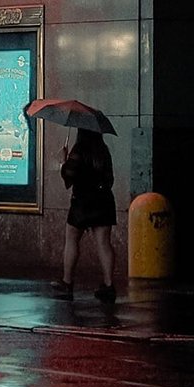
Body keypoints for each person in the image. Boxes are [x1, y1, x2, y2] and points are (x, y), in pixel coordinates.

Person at [51, 127, 117, 303]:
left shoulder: (78, 150)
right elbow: (110, 179)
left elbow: (69, 176)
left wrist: (61, 162)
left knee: (71, 239)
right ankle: (109, 286)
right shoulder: (104, 152)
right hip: (104, 201)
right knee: (104, 243)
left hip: (82, 201)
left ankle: (67, 282)